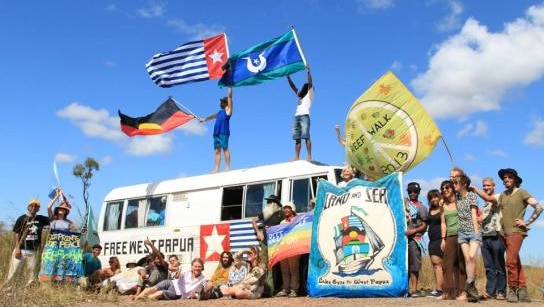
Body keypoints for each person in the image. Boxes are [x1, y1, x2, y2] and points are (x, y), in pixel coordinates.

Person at [497, 168, 542, 303]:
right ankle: (523, 290)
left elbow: (539, 207)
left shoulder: (522, 192)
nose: (506, 179)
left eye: (509, 177)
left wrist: (527, 222)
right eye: (504, 178)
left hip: (516, 231)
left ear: (515, 179)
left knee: (510, 261)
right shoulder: (502, 195)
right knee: (515, 260)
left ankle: (513, 289)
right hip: (504, 232)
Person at [471, 177, 506, 300]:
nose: (486, 188)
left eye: (488, 186)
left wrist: (475, 189)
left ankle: (501, 291)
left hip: (496, 236)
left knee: (499, 266)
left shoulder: (498, 197)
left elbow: (489, 198)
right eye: (484, 186)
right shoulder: (484, 203)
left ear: (494, 186)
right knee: (489, 267)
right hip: (485, 236)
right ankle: (490, 291)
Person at [3, 199, 50, 288]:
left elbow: (52, 217)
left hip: (34, 251)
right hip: (21, 249)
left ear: (38, 208)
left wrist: (55, 200)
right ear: (28, 207)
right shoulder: (22, 218)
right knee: (14, 271)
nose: (33, 208)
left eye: (36, 206)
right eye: (31, 206)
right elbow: (16, 233)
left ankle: (27, 289)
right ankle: (8, 288)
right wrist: (17, 248)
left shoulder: (41, 219)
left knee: (31, 273)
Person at [453, 174, 481, 302]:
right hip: (462, 233)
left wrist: (476, 233)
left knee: (471, 256)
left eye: (456, 183)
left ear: (464, 184)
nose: (454, 185)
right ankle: (471, 287)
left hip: (473, 231)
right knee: (466, 259)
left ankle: (470, 283)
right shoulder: (457, 197)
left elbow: (474, 215)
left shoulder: (472, 196)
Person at [439, 180, 467, 301]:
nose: (445, 190)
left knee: (461, 264)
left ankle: (462, 291)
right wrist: (443, 239)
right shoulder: (442, 205)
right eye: (443, 189)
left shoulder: (460, 201)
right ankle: (447, 292)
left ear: (453, 188)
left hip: (462, 234)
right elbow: (443, 223)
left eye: (447, 188)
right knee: (447, 264)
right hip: (450, 236)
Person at [251, 194, 283, 296]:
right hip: (265, 244)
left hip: (276, 243)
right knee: (263, 266)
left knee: (273, 267)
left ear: (276, 204)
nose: (268, 204)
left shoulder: (281, 214)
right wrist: (258, 232)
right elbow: (253, 220)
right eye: (268, 202)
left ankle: (271, 290)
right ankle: (263, 289)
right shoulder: (265, 213)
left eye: (270, 202)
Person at [135, 258, 205, 300]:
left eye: (199, 266)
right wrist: (178, 275)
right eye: (195, 266)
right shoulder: (186, 269)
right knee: (153, 288)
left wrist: (195, 295)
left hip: (177, 293)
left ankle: (145, 299)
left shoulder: (203, 279)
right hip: (172, 283)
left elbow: (203, 293)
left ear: (202, 268)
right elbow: (177, 274)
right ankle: (137, 297)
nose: (197, 268)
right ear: (192, 266)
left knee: (161, 293)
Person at [199, 88, 233, 173]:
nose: (220, 103)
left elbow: (229, 97)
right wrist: (204, 119)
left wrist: (230, 87)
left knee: (225, 148)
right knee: (217, 151)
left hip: (224, 132)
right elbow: (212, 116)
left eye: (222, 102)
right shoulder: (219, 113)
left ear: (226, 103)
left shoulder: (228, 110)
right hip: (216, 133)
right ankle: (217, 168)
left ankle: (227, 167)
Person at [404, 182, 428, 297]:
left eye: (415, 191)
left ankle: (414, 289)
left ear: (419, 192)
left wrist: (412, 231)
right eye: (410, 191)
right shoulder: (403, 203)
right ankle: (404, 288)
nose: (412, 193)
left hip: (415, 239)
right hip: (402, 238)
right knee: (404, 264)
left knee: (414, 264)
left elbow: (424, 225)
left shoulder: (422, 208)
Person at [287, 66, 313, 161]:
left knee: (306, 136)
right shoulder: (300, 97)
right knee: (297, 138)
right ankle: (296, 156)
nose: (301, 90)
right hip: (296, 117)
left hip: (305, 116)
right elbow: (293, 87)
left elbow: (310, 83)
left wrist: (308, 72)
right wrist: (288, 78)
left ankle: (309, 156)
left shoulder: (309, 96)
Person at [275, 202, 301, 298]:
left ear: (292, 209)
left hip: (293, 248)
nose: (286, 210)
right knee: (284, 269)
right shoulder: (282, 222)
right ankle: (286, 289)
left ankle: (294, 289)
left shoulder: (298, 220)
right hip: (283, 249)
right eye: (284, 208)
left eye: (288, 208)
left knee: (293, 269)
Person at [425, 189, 443, 298]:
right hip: (432, 240)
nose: (433, 199)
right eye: (431, 198)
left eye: (435, 196)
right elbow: (425, 224)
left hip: (442, 239)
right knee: (435, 265)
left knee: (440, 265)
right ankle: (439, 288)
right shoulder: (430, 209)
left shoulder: (444, 208)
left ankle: (441, 289)